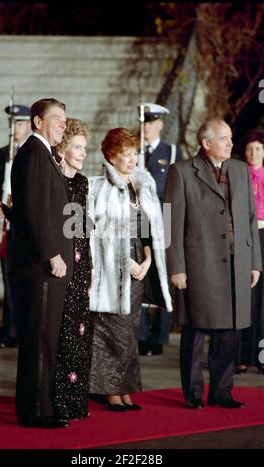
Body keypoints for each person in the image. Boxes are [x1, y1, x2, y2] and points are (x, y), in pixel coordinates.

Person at [164, 118, 262, 409]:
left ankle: (222, 392)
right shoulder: (180, 172)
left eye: (231, 138)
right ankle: (193, 394)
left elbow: (249, 220)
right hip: (198, 263)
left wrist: (254, 261)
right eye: (224, 139)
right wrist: (176, 266)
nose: (231, 144)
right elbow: (170, 224)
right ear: (206, 144)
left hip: (237, 261)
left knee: (230, 330)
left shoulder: (240, 170)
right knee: (196, 329)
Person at [0, 98, 73, 428]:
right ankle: (36, 410)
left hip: (45, 263)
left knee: (45, 338)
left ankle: (42, 406)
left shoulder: (41, 154)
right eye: (57, 119)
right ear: (38, 122)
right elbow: (36, 211)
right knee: (40, 340)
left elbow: (34, 208)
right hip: (42, 266)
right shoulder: (35, 154)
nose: (63, 125)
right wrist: (52, 254)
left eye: (66, 120)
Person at [89, 127, 172, 411]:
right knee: (112, 328)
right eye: (126, 154)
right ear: (111, 156)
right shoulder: (96, 187)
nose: (132, 160)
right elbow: (87, 233)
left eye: (134, 154)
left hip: (140, 261)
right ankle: (109, 389)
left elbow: (154, 228)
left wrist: (148, 260)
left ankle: (124, 389)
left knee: (130, 329)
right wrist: (126, 260)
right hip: (111, 265)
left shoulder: (143, 186)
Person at [52, 117, 93, 420]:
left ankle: (75, 399)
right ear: (64, 148)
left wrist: (88, 267)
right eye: (77, 147)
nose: (82, 153)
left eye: (84, 148)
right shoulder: (54, 178)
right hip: (58, 264)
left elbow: (81, 228)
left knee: (79, 333)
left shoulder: (82, 182)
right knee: (61, 334)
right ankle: (56, 400)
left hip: (80, 264)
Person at [138, 102, 183, 356]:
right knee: (141, 273)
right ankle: (141, 334)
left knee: (163, 273)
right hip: (139, 217)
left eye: (151, 122)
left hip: (163, 216)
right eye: (144, 122)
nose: (146, 126)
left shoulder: (172, 152)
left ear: (160, 125)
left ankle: (159, 336)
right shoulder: (134, 151)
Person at [0, 104, 31, 348]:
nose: (15, 128)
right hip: (6, 229)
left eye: (20, 123)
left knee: (25, 283)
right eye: (13, 123)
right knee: (8, 281)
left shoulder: (32, 153)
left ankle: (25, 330)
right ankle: (10, 331)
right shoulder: (1, 155)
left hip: (26, 229)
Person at [235, 129, 264, 374]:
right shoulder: (236, 175)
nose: (254, 153)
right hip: (246, 236)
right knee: (247, 298)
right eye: (250, 148)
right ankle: (242, 356)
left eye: (258, 148)